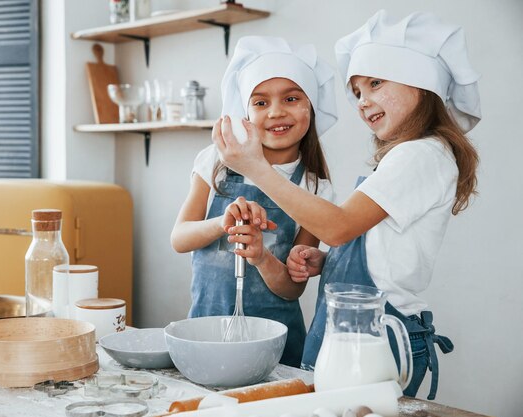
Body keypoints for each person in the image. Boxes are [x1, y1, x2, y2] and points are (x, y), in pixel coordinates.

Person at [213, 10, 480, 399]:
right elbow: (374, 245)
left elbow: (338, 226)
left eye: (374, 83)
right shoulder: (405, 158)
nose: (362, 101)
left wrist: (255, 166)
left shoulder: (421, 155)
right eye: (356, 91)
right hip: (354, 329)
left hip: (380, 335)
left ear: (421, 84)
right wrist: (331, 263)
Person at [171, 36, 338, 367]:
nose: (276, 112)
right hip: (208, 332)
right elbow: (179, 238)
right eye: (260, 103)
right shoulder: (214, 162)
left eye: (291, 98)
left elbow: (293, 289)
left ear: (311, 107)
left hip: (277, 347)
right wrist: (222, 224)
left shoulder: (313, 186)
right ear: (244, 113)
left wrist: (261, 256)